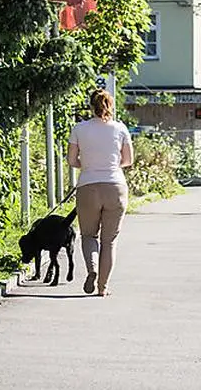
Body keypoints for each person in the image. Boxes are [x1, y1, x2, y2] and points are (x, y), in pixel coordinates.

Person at [66, 89, 134, 296]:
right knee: (109, 241)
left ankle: (92, 270)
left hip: (88, 187)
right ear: (110, 106)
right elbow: (128, 160)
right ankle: (103, 288)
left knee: (88, 235)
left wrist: (86, 165)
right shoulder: (120, 129)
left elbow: (71, 160)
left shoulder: (79, 129)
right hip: (115, 187)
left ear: (90, 106)